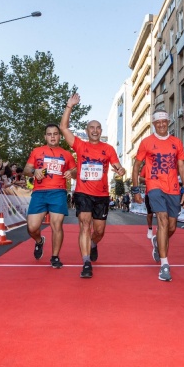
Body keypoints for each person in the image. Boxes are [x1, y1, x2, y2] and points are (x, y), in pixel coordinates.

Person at [61, 93, 125, 278]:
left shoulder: (109, 149)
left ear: (101, 130)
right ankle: (86, 262)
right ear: (87, 130)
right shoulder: (80, 145)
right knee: (84, 226)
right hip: (83, 193)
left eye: (98, 128)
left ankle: (94, 244)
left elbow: (119, 168)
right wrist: (69, 106)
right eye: (92, 128)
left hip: (102, 195)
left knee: (98, 231)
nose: (95, 130)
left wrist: (121, 172)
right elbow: (63, 128)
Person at [132, 109, 184, 282]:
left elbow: (181, 167)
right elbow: (136, 167)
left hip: (172, 187)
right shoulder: (147, 142)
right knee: (162, 221)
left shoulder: (176, 142)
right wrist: (136, 190)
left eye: (164, 121)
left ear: (168, 122)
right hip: (154, 186)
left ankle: (158, 241)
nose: (162, 124)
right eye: (158, 122)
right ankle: (165, 265)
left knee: (171, 227)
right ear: (154, 124)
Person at [24, 123, 77, 269]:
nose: (52, 137)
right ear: (45, 136)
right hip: (39, 192)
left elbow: (75, 172)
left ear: (59, 136)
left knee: (56, 225)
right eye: (49, 134)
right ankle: (39, 241)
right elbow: (27, 169)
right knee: (32, 227)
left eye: (55, 134)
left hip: (58, 192)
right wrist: (34, 171)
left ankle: (55, 256)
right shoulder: (37, 151)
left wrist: (71, 173)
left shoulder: (67, 154)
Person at [139, 164, 155, 239]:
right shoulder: (146, 166)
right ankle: (150, 228)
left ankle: (161, 229)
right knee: (150, 214)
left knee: (161, 213)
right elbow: (140, 178)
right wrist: (148, 179)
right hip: (149, 193)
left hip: (162, 192)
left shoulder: (162, 164)